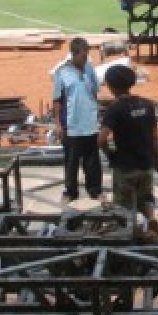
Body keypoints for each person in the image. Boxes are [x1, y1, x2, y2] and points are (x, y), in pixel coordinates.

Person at [98, 64, 158, 240]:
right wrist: (157, 161)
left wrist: (109, 155)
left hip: (125, 167)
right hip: (146, 164)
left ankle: (135, 235)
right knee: (146, 197)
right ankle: (151, 219)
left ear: (111, 87)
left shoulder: (115, 108)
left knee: (124, 207)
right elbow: (155, 138)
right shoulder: (147, 104)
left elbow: (102, 139)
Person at [52, 37, 104, 205]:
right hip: (72, 126)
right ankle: (70, 192)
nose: (85, 58)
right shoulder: (62, 72)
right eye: (83, 55)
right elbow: (57, 100)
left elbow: (95, 93)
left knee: (93, 161)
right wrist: (59, 125)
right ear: (74, 54)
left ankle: (95, 190)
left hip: (89, 124)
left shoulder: (90, 70)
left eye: (87, 54)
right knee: (71, 161)